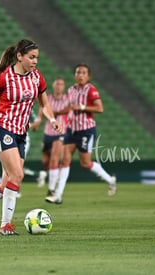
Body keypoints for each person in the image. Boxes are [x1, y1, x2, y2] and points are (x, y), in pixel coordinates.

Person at [0, 39, 62, 236]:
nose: (35, 62)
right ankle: (5, 226)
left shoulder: (36, 77)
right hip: (1, 130)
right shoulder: (4, 78)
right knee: (17, 175)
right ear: (19, 56)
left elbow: (44, 103)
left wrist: (51, 119)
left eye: (37, 58)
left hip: (20, 134)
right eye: (31, 57)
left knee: (7, 183)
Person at [46, 64, 117, 204]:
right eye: (78, 72)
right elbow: (71, 107)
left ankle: (110, 180)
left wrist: (83, 107)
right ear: (75, 75)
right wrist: (59, 113)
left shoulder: (91, 90)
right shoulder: (71, 89)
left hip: (86, 130)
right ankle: (58, 195)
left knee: (86, 163)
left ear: (88, 76)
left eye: (84, 73)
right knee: (65, 161)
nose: (80, 75)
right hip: (71, 130)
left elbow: (100, 108)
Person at [34, 77, 71, 196]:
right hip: (47, 133)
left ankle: (51, 189)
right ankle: (54, 177)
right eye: (57, 84)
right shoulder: (47, 98)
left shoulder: (68, 99)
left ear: (64, 87)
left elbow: (69, 110)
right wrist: (37, 123)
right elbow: (40, 114)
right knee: (46, 161)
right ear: (53, 86)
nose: (59, 86)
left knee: (54, 159)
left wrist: (54, 113)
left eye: (61, 84)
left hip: (60, 132)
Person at [22, 110, 47, 188]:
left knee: (16, 166)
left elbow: (36, 125)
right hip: (10, 139)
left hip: (22, 140)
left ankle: (16, 191)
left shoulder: (27, 107)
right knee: (13, 166)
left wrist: (27, 125)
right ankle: (38, 174)